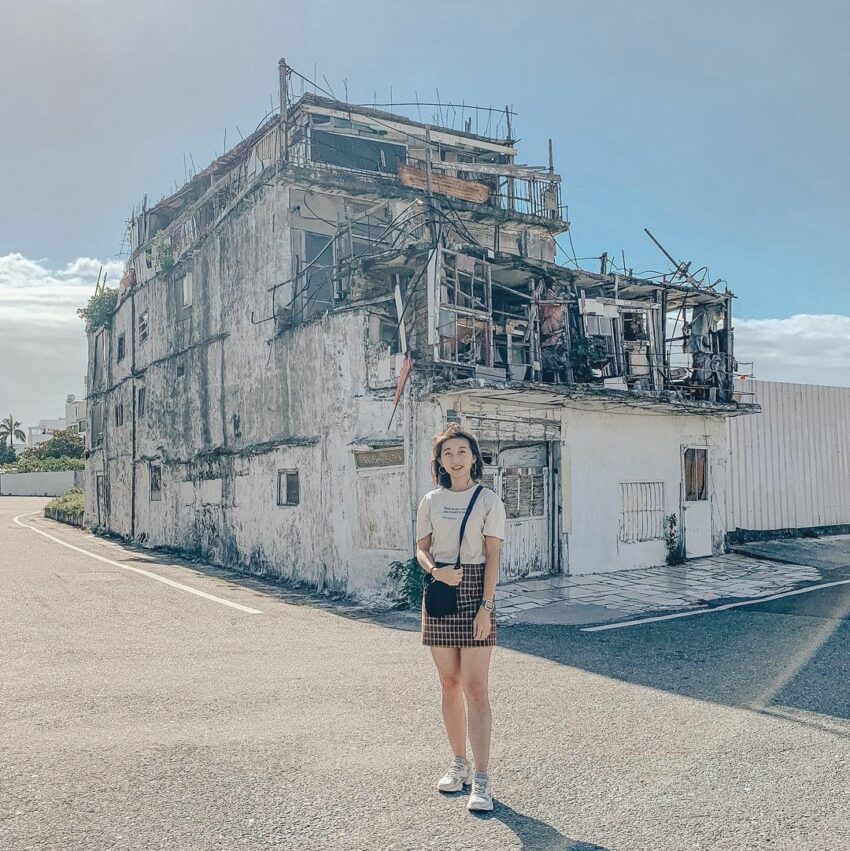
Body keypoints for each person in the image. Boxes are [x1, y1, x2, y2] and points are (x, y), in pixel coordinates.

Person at [415, 424, 507, 812]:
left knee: (475, 688)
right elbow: (421, 548)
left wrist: (486, 606)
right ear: (440, 461)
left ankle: (482, 779)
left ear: (473, 458)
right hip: (440, 589)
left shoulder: (488, 500)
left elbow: (493, 557)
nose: (455, 458)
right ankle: (459, 764)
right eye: (448, 453)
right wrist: (435, 571)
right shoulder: (431, 500)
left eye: (462, 452)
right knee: (449, 684)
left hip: (474, 593)